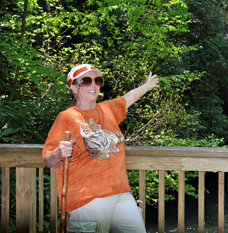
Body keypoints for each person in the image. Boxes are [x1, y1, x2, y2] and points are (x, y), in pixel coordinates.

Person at [42, 64, 159, 233]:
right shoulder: (66, 117)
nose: (93, 85)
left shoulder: (107, 109)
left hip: (120, 193)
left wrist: (147, 86)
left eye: (97, 81)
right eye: (86, 81)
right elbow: (48, 159)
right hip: (88, 199)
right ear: (74, 87)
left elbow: (129, 97)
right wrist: (59, 153)